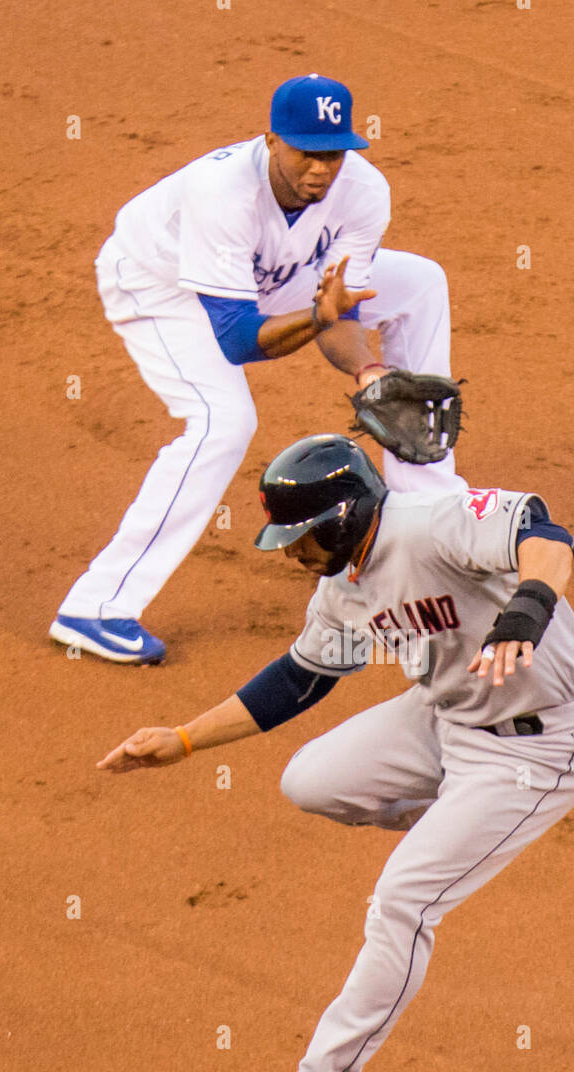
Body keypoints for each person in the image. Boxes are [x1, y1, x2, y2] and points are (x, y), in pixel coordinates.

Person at [97, 435, 574, 1072]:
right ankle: (457, 821)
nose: (289, 554)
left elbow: (544, 535)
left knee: (402, 901)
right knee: (309, 780)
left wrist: (525, 612)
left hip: (536, 748)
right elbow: (298, 682)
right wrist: (183, 739)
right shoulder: (340, 591)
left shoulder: (430, 525)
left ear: (342, 516)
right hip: (445, 718)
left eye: (299, 538)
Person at [51, 74, 461, 666]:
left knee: (421, 282)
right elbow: (241, 340)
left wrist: (370, 371)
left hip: (271, 273)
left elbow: (340, 307)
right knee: (223, 421)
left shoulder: (365, 192)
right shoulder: (223, 194)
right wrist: (318, 315)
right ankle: (97, 606)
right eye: (306, 153)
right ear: (271, 140)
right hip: (162, 284)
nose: (322, 169)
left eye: (334, 153)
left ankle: (424, 517)